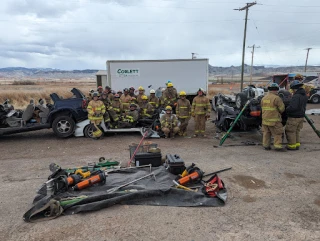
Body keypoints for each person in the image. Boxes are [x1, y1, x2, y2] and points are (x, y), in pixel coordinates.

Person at [261, 83, 286, 151]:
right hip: (274, 120)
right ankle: (277, 146)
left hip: (265, 120)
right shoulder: (277, 98)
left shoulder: (264, 98)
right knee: (278, 133)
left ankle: (266, 146)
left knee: (266, 133)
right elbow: (282, 109)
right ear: (277, 90)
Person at [285, 80, 308, 150]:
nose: (292, 91)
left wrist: (287, 109)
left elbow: (293, 107)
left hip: (294, 117)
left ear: (295, 88)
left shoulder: (296, 96)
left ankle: (291, 146)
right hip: (301, 116)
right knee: (296, 131)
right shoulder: (304, 95)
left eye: (292, 89)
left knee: (290, 131)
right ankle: (297, 144)